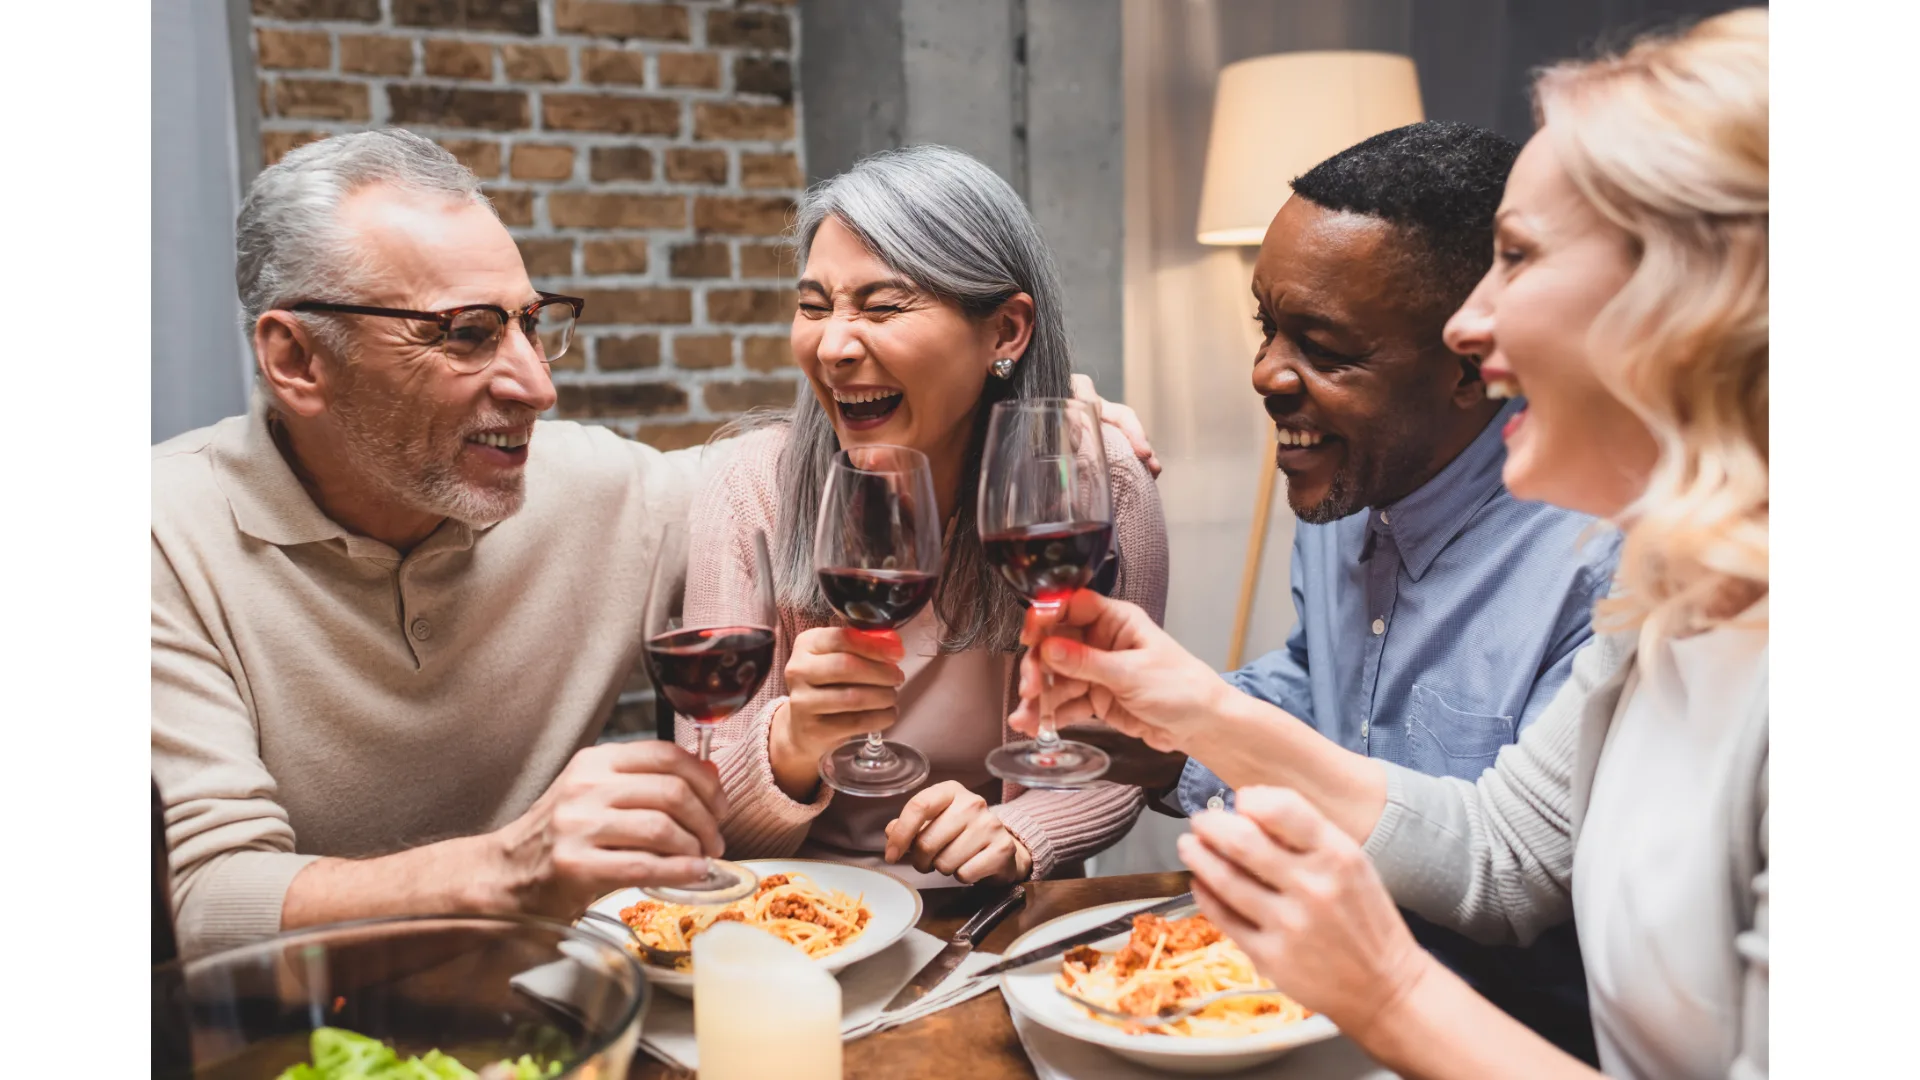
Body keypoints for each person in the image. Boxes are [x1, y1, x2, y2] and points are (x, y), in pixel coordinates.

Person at [151, 130, 1156, 956]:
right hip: (300, 1023)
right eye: (464, 333)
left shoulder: (596, 490)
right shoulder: (152, 537)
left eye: (532, 325)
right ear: (293, 357)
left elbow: (819, 471)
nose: (537, 386)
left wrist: (1036, 425)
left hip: (571, 992)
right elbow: (204, 896)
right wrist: (508, 867)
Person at [1021, 10, 1768, 1078]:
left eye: (1517, 257)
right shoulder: (1670, 587)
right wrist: (1180, 707)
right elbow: (1508, 854)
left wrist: (1384, 987)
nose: (1473, 321)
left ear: (1689, 303)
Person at [1111, 121, 1620, 1056]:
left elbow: (1509, 869)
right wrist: (1152, 742)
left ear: (1473, 365)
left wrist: (1196, 721)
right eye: (1269, 326)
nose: (1266, 373)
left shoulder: (1605, 566)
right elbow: (1324, 694)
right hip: (1296, 1013)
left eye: (1326, 347)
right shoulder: (1351, 491)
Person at [683, 145, 1168, 887]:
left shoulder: (1102, 487)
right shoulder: (749, 487)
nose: (834, 345)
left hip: (993, 919)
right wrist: (793, 742)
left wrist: (1019, 831)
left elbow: (1125, 749)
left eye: (882, 307)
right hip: (800, 925)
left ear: (1005, 332)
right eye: (813, 307)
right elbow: (707, 805)